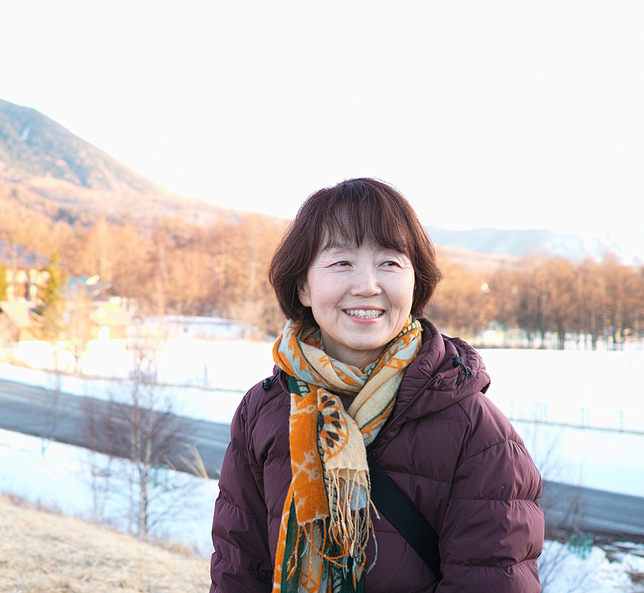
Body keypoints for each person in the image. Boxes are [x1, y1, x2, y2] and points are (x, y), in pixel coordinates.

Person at [209, 178, 544, 593]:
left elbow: (493, 582)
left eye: (389, 263)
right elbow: (239, 571)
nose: (367, 285)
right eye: (341, 263)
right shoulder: (264, 411)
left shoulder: (476, 430)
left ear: (415, 282)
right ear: (303, 286)